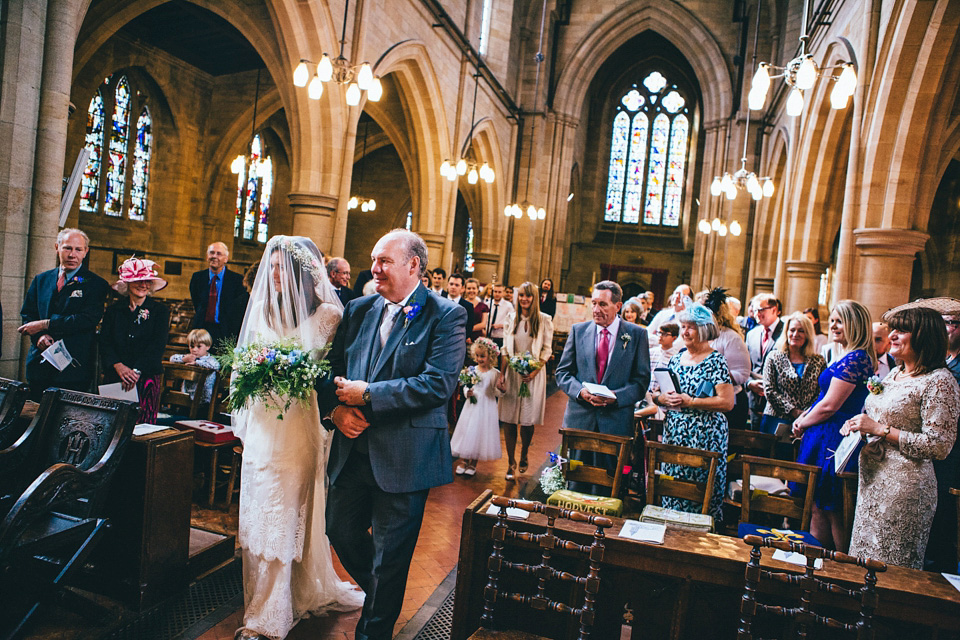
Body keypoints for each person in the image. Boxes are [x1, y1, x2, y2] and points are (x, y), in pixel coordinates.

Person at [319, 229, 466, 640]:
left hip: (406, 454)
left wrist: (368, 394)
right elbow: (329, 372)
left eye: (384, 260)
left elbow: (438, 384)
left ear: (413, 264)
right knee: (340, 531)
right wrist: (335, 410)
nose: (374, 268)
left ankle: (375, 627)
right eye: (374, 259)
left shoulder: (445, 314)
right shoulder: (361, 308)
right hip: (353, 450)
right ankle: (385, 594)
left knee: (391, 558)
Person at [232, 236, 362, 640]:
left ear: (302, 273)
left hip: (299, 430)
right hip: (262, 428)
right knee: (259, 515)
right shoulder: (263, 312)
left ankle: (267, 616)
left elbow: (329, 374)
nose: (273, 275)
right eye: (269, 267)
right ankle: (287, 592)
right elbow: (242, 366)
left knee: (283, 517)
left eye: (280, 268)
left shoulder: (326, 315)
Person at [843, 307, 960, 569]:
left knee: (890, 563)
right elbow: (881, 415)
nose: (892, 335)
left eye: (901, 330)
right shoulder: (896, 373)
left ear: (924, 336)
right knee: (864, 556)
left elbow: (939, 445)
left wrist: (880, 430)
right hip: (874, 479)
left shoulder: (940, 381)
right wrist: (859, 426)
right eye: (892, 329)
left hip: (905, 486)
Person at [791, 300, 875, 551]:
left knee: (832, 506)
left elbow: (830, 405)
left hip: (835, 437)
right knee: (817, 504)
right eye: (833, 320)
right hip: (822, 433)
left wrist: (803, 423)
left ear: (854, 324)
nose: (834, 325)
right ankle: (817, 565)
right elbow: (822, 399)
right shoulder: (844, 355)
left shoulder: (858, 358)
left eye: (840, 321)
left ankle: (842, 566)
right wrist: (804, 416)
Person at [555, 281, 651, 493]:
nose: (596, 310)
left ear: (618, 306)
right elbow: (562, 373)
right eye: (594, 303)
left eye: (603, 304)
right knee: (575, 484)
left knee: (610, 486)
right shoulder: (579, 331)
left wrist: (616, 397)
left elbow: (641, 381)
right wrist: (581, 392)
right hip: (581, 419)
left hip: (614, 422)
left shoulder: (636, 335)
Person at [652, 304, 735, 521]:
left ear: (705, 330)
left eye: (691, 327)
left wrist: (692, 402)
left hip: (705, 436)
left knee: (700, 493)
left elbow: (727, 402)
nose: (685, 332)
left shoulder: (715, 360)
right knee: (673, 489)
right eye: (683, 326)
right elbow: (658, 393)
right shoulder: (678, 358)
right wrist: (662, 398)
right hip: (676, 433)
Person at [19, 228, 110, 400]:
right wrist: (39, 336)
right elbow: (28, 314)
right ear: (57, 247)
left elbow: (86, 320)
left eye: (78, 249)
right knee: (33, 418)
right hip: (40, 365)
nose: (72, 254)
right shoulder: (42, 279)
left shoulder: (95, 284)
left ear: (86, 252)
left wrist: (47, 324)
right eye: (67, 248)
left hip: (73, 369)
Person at [99, 257, 170, 424]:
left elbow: (157, 345)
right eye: (138, 280)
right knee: (112, 424)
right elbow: (105, 341)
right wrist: (118, 366)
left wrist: (136, 371)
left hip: (146, 377)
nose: (143, 285)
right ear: (127, 283)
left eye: (147, 281)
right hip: (115, 376)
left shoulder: (160, 311)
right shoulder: (113, 310)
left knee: (142, 426)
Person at [498, 281, 554, 481]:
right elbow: (505, 349)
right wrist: (502, 374)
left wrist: (534, 371)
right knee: (509, 419)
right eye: (521, 295)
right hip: (513, 373)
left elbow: (547, 350)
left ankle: (524, 454)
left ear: (535, 298)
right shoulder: (511, 318)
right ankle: (510, 462)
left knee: (527, 420)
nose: (524, 299)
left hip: (533, 374)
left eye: (528, 296)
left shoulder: (544, 319)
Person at [929, 300, 960, 571]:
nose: (947, 328)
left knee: (945, 516)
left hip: (952, 453)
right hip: (935, 453)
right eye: (944, 322)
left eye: (953, 323)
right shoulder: (941, 360)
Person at [760, 312, 827, 435]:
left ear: (807, 334)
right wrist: (793, 411)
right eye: (792, 330)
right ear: (786, 332)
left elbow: (821, 391)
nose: (795, 334)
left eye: (801, 331)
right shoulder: (774, 356)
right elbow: (769, 390)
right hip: (776, 418)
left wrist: (806, 414)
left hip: (807, 420)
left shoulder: (818, 361)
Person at [450, 338, 503, 476]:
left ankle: (473, 463)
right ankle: (464, 461)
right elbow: (465, 387)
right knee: (468, 431)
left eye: (483, 356)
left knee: (480, 434)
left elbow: (496, 392)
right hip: (471, 407)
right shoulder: (471, 370)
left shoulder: (494, 373)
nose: (479, 359)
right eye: (477, 356)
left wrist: (501, 389)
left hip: (486, 406)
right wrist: (467, 392)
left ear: (490, 356)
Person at [702, 288, 752, 431]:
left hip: (731, 402)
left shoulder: (730, 337)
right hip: (705, 400)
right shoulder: (703, 334)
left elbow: (742, 374)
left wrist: (714, 374)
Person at [189, 241, 246, 348]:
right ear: (207, 256)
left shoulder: (237, 280)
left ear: (226, 259)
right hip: (201, 330)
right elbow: (197, 303)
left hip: (226, 331)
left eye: (219, 254)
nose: (214, 256)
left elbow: (237, 310)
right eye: (211, 253)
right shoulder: (197, 278)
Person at [745, 293, 784, 429]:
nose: (756, 314)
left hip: (778, 403)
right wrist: (749, 383)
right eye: (755, 310)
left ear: (774, 309)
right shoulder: (752, 334)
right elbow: (745, 365)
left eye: (761, 310)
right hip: (754, 401)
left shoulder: (786, 332)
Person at [169, 328, 220, 404]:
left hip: (204, 398)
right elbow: (172, 358)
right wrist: (183, 359)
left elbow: (216, 366)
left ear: (208, 346)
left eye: (199, 347)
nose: (194, 350)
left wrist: (197, 363)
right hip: (186, 396)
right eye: (192, 346)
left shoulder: (210, 359)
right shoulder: (189, 357)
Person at [446, 273, 476, 341]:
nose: (453, 287)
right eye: (451, 284)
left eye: (457, 285)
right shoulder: (439, 301)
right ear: (447, 285)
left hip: (458, 342)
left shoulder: (468, 306)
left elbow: (469, 328)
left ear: (462, 288)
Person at [485, 283, 514, 348]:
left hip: (501, 337)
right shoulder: (487, 304)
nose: (497, 294)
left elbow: (512, 322)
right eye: (495, 291)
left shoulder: (508, 306)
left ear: (503, 293)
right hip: (489, 336)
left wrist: (500, 325)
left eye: (499, 292)